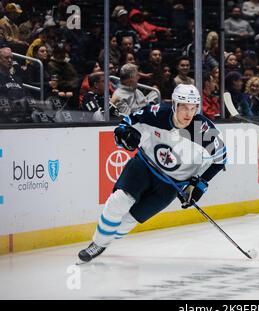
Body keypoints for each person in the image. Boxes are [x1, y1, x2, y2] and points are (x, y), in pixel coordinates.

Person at [78, 84, 227, 262]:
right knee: (118, 201)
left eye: (193, 108)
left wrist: (199, 184)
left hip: (171, 184)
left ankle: (105, 242)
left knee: (131, 219)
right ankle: (97, 244)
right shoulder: (156, 112)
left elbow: (221, 160)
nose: (189, 113)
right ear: (174, 104)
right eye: (184, 107)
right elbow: (127, 124)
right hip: (143, 166)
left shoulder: (203, 130)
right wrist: (124, 134)